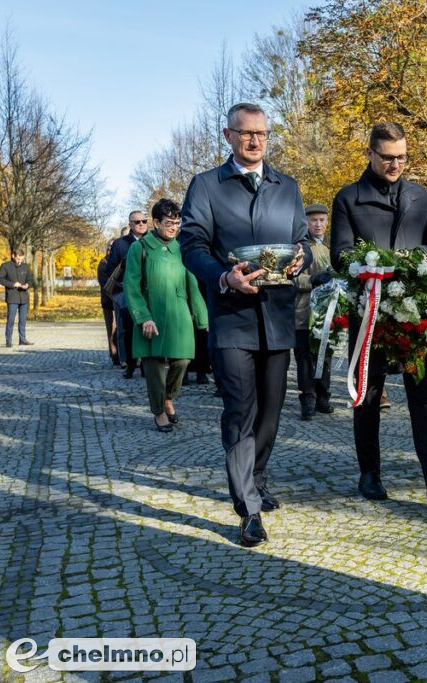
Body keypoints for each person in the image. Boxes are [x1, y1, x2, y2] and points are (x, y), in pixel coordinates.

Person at [179, 102, 311, 547]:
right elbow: (192, 245)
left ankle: (257, 477)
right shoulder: (206, 185)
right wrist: (223, 277)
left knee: (271, 410)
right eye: (245, 133)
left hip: (277, 315)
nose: (254, 140)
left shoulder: (286, 186)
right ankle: (247, 509)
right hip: (232, 316)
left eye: (262, 133)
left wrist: (301, 259)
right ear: (228, 135)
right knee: (240, 409)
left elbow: (301, 241)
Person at [331, 122, 427, 507]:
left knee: (422, 396)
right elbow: (340, 254)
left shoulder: (419, 195)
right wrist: (373, 262)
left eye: (402, 158)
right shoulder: (348, 198)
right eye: (388, 157)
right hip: (371, 309)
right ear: (370, 154)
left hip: (414, 309)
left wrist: (421, 255)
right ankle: (370, 474)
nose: (395, 165)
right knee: (369, 394)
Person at [123, 198, 208, 433]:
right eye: (169, 223)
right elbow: (131, 286)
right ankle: (159, 410)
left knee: (183, 360)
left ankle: (168, 396)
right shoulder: (139, 248)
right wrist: (143, 317)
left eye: (177, 223)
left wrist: (202, 317)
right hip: (150, 315)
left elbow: (192, 283)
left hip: (179, 314)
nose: (174, 228)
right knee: (154, 366)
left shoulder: (182, 248)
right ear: (156, 222)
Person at [294, 203, 334, 421]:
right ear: (306, 222)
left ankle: (323, 396)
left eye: (322, 220)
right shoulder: (299, 248)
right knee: (305, 359)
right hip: (303, 312)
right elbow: (290, 278)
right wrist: (312, 280)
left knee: (325, 356)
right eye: (313, 220)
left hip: (328, 312)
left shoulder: (332, 247)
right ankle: (308, 398)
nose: (318, 224)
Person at [107, 211, 150, 377]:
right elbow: (111, 269)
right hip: (127, 293)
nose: (141, 224)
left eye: (144, 221)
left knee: (148, 327)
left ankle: (147, 365)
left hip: (149, 292)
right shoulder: (120, 244)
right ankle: (130, 365)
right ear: (130, 224)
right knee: (128, 329)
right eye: (137, 222)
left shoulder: (152, 240)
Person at [0, 249, 35, 347]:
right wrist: (12, 284)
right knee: (11, 320)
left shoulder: (26, 267)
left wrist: (27, 285)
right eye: (18, 259)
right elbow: (0, 279)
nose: (20, 261)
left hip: (24, 297)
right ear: (13, 256)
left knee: (23, 320)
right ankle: (8, 340)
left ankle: (22, 339)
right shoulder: (5, 266)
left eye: (21, 259)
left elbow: (30, 279)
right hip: (12, 297)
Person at [96, 241, 119, 365]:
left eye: (112, 247)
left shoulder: (117, 261)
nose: (110, 250)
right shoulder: (103, 263)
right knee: (112, 329)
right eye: (109, 247)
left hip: (118, 300)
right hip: (109, 302)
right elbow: (106, 285)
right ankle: (115, 356)